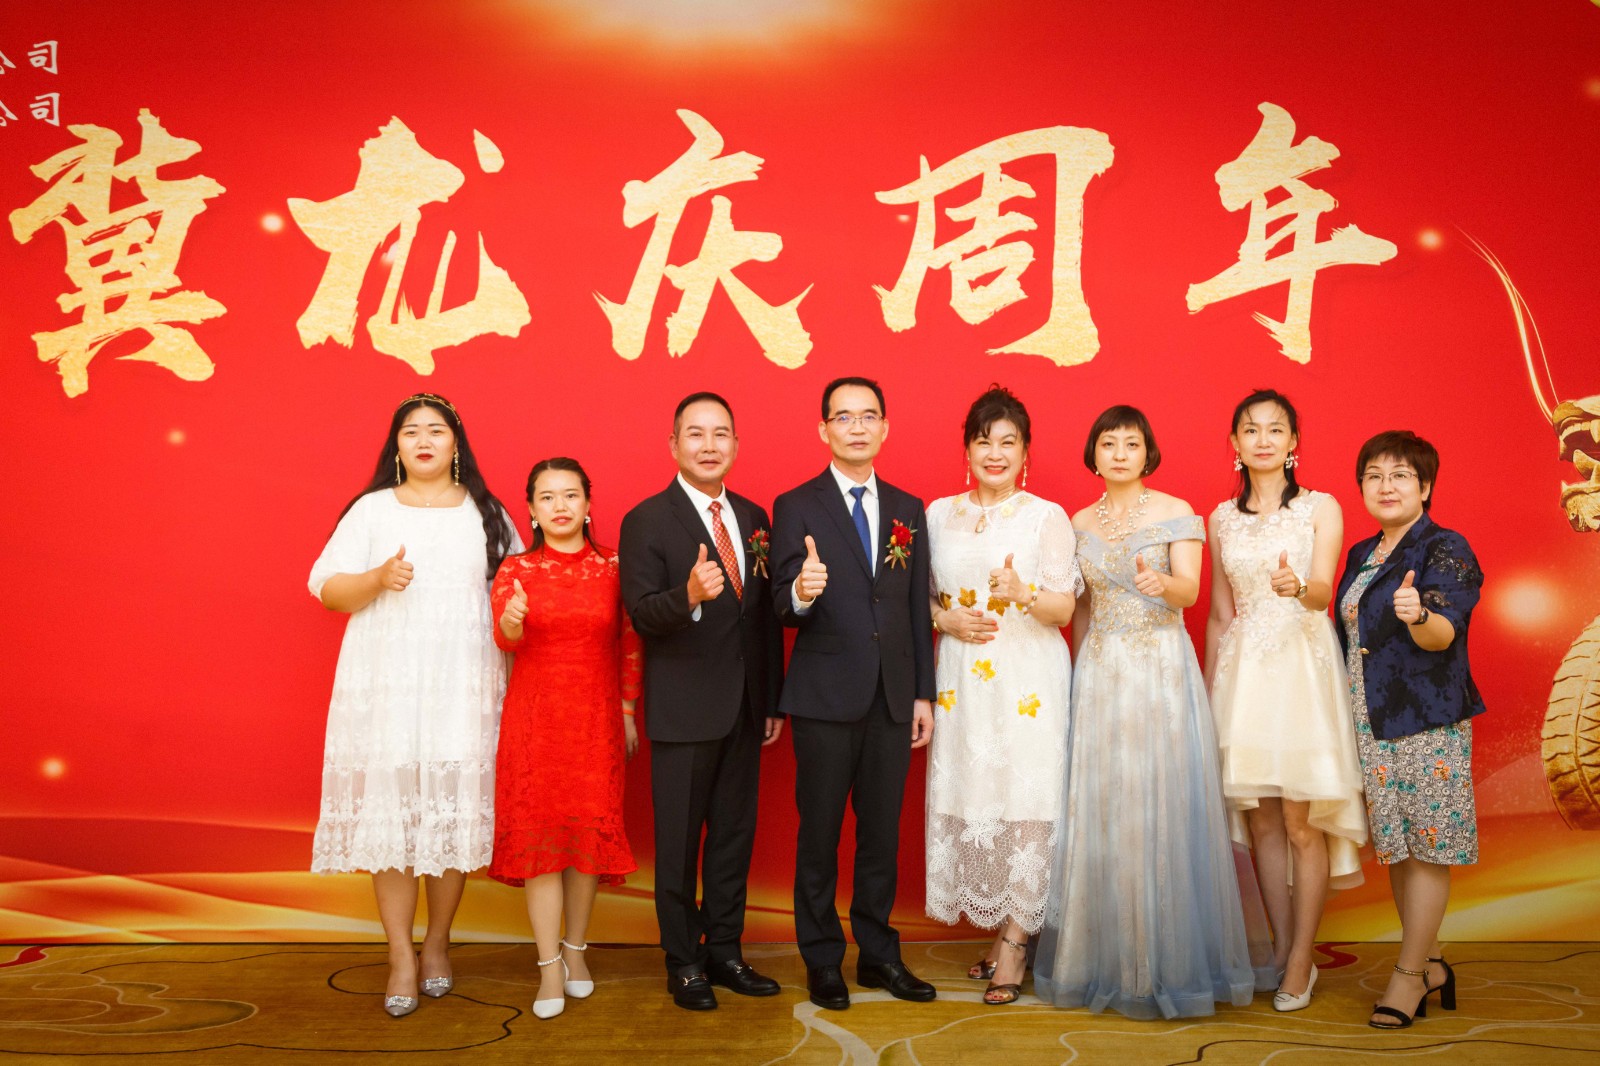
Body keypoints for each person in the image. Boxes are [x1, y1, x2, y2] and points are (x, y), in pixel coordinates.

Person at [1034, 405, 1272, 1020]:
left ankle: (1166, 965)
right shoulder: (1077, 522)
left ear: (1148, 453)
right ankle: (1107, 962)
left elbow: (1190, 592)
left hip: (1161, 669)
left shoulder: (1175, 511)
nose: (1120, 454)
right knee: (1106, 808)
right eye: (1108, 443)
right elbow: (1081, 613)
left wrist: (1161, 586)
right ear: (1093, 453)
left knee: (1159, 805)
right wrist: (1077, 676)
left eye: (1131, 444)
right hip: (1101, 673)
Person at [308, 393, 519, 1018]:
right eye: (411, 432)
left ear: (457, 444)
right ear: (396, 446)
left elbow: (517, 592)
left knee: (449, 817)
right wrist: (377, 579)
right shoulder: (371, 509)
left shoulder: (487, 512)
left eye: (436, 430)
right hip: (390, 688)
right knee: (394, 819)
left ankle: (437, 944)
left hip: (463, 686)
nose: (424, 440)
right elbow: (327, 589)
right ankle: (399, 953)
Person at [772, 376, 937, 1011]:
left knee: (880, 837)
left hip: (892, 697)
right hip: (823, 696)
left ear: (885, 427)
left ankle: (878, 955)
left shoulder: (907, 508)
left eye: (868, 416)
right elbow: (782, 602)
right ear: (824, 430)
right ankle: (821, 959)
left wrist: (922, 694)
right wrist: (802, 590)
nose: (857, 427)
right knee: (819, 834)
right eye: (844, 417)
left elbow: (913, 607)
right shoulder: (797, 504)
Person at [618, 392, 786, 1012]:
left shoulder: (754, 516)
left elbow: (762, 620)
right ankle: (684, 961)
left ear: (736, 445)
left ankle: (726, 951)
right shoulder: (646, 519)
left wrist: (771, 700)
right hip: (684, 710)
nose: (709, 445)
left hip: (745, 707)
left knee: (732, 839)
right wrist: (687, 594)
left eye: (721, 434)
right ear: (674, 444)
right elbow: (641, 615)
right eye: (696, 434)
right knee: (679, 843)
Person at [1204, 389, 1367, 1012]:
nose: (1264, 439)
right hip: (1243, 675)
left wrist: (1297, 587)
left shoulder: (1321, 508)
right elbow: (1220, 614)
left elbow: (1324, 591)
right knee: (1263, 819)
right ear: (1235, 443)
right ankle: (1279, 948)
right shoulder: (1220, 518)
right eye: (1251, 429)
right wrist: (1209, 691)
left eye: (1276, 429)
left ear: (1294, 442)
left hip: (1300, 666)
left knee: (1302, 821)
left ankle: (1303, 957)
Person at [923, 385, 1080, 1006]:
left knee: (1027, 797)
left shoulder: (1046, 517)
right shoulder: (937, 514)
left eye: (1008, 442)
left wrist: (1022, 593)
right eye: (984, 441)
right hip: (961, 682)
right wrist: (943, 618)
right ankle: (1002, 931)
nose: (995, 453)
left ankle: (1016, 942)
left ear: (1025, 452)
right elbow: (918, 599)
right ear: (966, 449)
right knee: (979, 793)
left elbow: (1063, 609)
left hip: (1027, 680)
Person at [1336, 430, 1482, 1030]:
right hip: (1371, 721)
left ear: (1425, 487)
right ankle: (1432, 961)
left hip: (1425, 722)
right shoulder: (1361, 553)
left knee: (1425, 847)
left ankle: (1409, 975)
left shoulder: (1445, 547)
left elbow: (1443, 634)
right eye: (1373, 475)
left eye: (1400, 475)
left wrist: (1419, 613)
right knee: (1398, 847)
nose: (1386, 485)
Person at [488, 458, 642, 1021]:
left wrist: (628, 712)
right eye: (547, 497)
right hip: (535, 725)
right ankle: (549, 965)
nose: (560, 506)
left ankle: (576, 951)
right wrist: (512, 619)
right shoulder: (516, 569)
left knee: (584, 846)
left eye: (570, 495)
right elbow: (505, 639)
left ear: (588, 504)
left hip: (596, 722)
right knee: (543, 848)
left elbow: (630, 643)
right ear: (531, 509)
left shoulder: (614, 567)